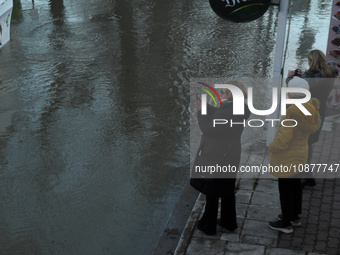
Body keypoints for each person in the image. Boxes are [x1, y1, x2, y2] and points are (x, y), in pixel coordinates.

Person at [190, 80, 250, 235]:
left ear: (230, 94)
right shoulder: (238, 107)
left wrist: (200, 111)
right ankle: (228, 222)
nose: (221, 94)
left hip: (218, 155)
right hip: (230, 155)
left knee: (212, 191)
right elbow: (218, 117)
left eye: (223, 91)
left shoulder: (230, 110)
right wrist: (205, 107)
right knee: (227, 190)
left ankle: (207, 226)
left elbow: (209, 128)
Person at [269, 77, 321, 233]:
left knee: (285, 190)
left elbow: (283, 140)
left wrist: (271, 147)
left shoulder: (292, 112)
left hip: (287, 156)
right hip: (300, 153)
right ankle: (295, 217)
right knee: (296, 186)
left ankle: (286, 223)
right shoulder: (310, 107)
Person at [287, 49, 336, 187]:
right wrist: (303, 77)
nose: (308, 62)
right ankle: (308, 176)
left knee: (303, 143)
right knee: (309, 142)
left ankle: (302, 175)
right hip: (320, 111)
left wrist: (290, 79)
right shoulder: (329, 73)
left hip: (307, 113)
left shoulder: (311, 76)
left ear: (312, 61)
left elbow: (296, 92)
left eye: (309, 60)